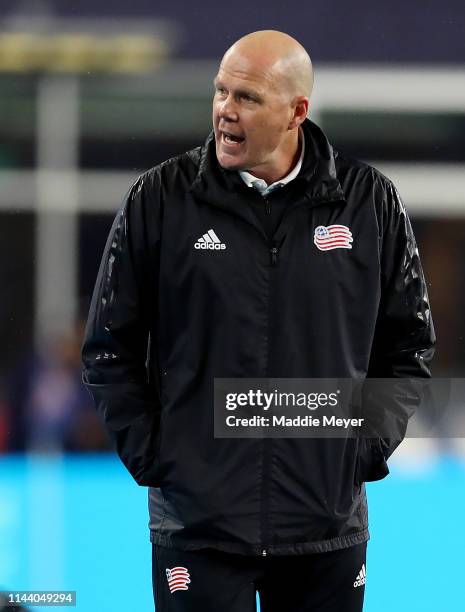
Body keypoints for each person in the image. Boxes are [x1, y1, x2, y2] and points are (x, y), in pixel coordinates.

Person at [81, 30, 435, 612]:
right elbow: (108, 348)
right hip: (199, 528)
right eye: (220, 92)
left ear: (296, 111)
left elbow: (410, 344)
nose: (224, 109)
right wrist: (157, 457)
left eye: (246, 97)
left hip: (325, 526)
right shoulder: (159, 201)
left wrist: (363, 449)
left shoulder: (369, 203)